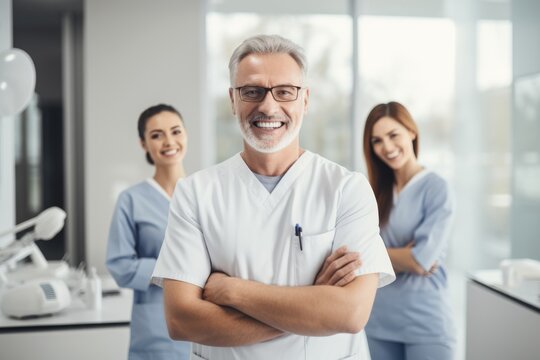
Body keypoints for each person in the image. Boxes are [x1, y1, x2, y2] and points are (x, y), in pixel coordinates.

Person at [152, 35, 395, 360]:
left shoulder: (346, 189)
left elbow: (349, 314)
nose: (268, 106)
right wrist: (312, 303)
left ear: (305, 100)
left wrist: (234, 291)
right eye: (252, 91)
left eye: (284, 91)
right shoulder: (195, 193)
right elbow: (181, 320)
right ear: (233, 100)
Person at [362, 102, 455, 360]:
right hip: (378, 320)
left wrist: (372, 254)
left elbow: (419, 260)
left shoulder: (437, 189)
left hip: (426, 322)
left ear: (411, 132)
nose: (387, 147)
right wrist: (401, 255)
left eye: (394, 135)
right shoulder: (373, 191)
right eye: (377, 141)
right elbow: (352, 249)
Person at [106, 104, 191, 360]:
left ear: (185, 135)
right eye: (156, 135)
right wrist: (177, 274)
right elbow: (121, 265)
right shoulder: (131, 200)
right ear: (143, 144)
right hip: (156, 328)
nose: (169, 141)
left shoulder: (203, 194)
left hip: (207, 322)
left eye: (175, 131)